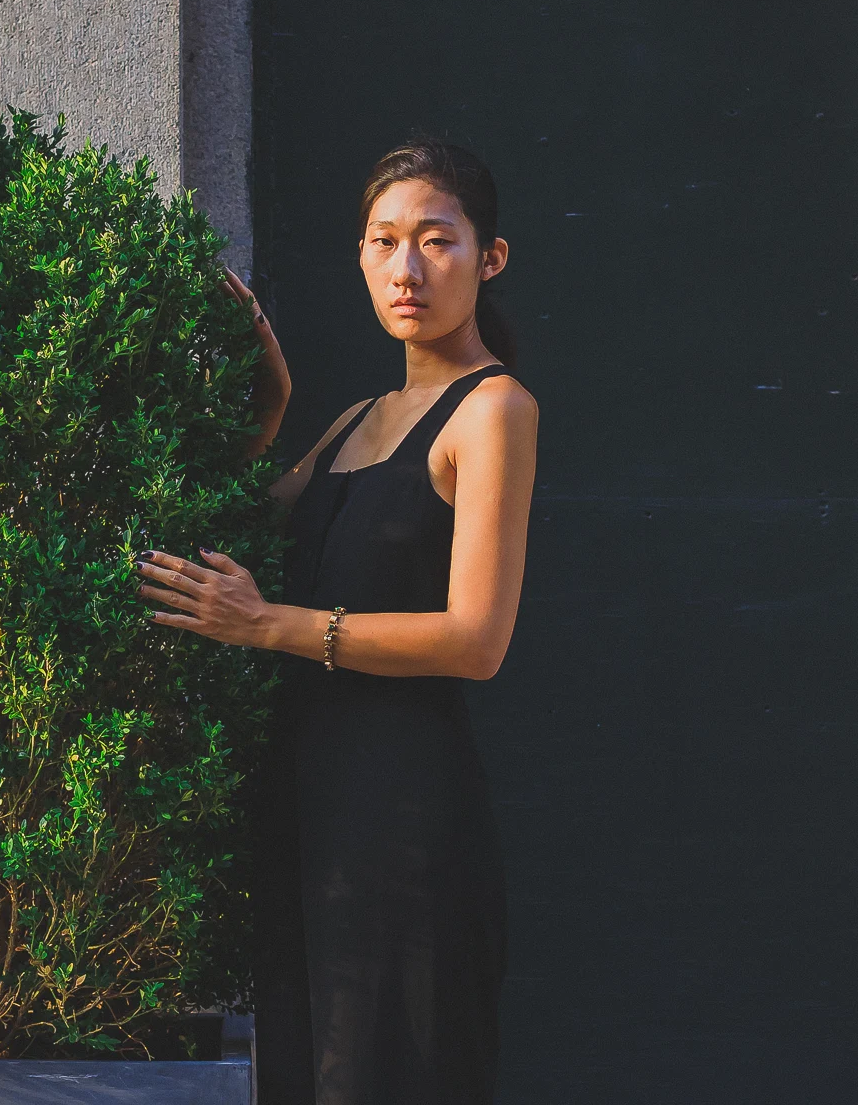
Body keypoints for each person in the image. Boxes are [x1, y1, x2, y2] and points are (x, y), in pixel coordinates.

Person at [138, 140, 539, 1105]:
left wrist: (267, 626)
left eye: (435, 241)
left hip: (404, 819)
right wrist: (271, 403)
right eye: (383, 241)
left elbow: (475, 640)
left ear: (488, 258)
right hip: (304, 812)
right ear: (359, 254)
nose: (406, 270)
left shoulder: (492, 411)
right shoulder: (359, 417)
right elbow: (236, 531)